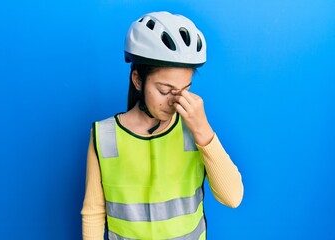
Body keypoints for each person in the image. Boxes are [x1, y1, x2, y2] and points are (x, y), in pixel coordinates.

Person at [81, 11, 244, 240]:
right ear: (138, 80)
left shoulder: (195, 130)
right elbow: (93, 213)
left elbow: (233, 197)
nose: (174, 101)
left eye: (184, 90)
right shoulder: (104, 136)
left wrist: (203, 130)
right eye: (165, 90)